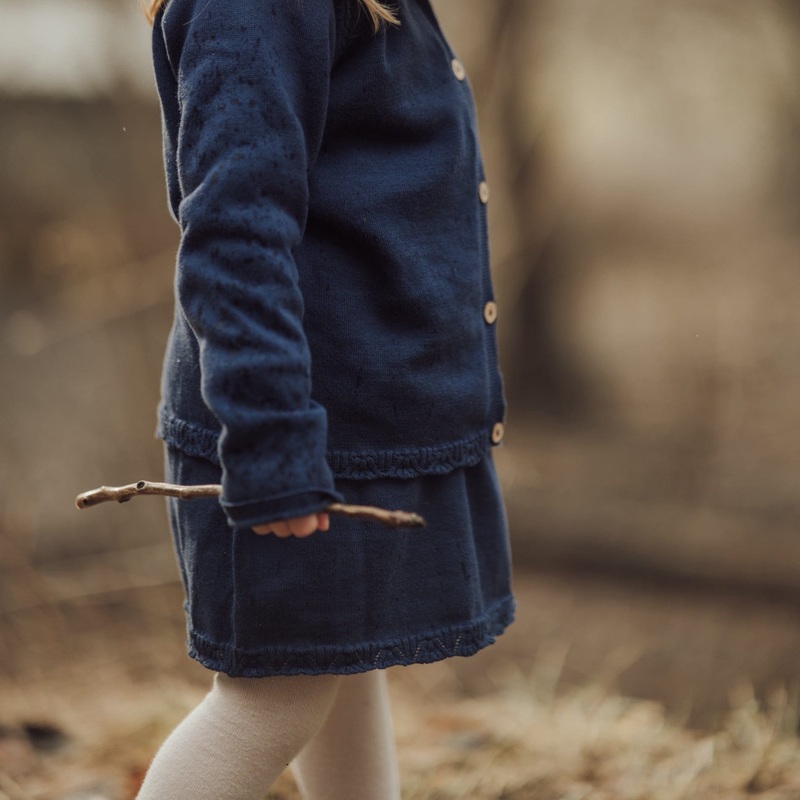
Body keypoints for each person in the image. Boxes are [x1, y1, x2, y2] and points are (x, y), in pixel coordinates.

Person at [136, 0, 514, 797]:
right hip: (297, 416)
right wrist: (272, 443)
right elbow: (235, 228)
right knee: (267, 705)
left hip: (363, 417)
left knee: (334, 673)